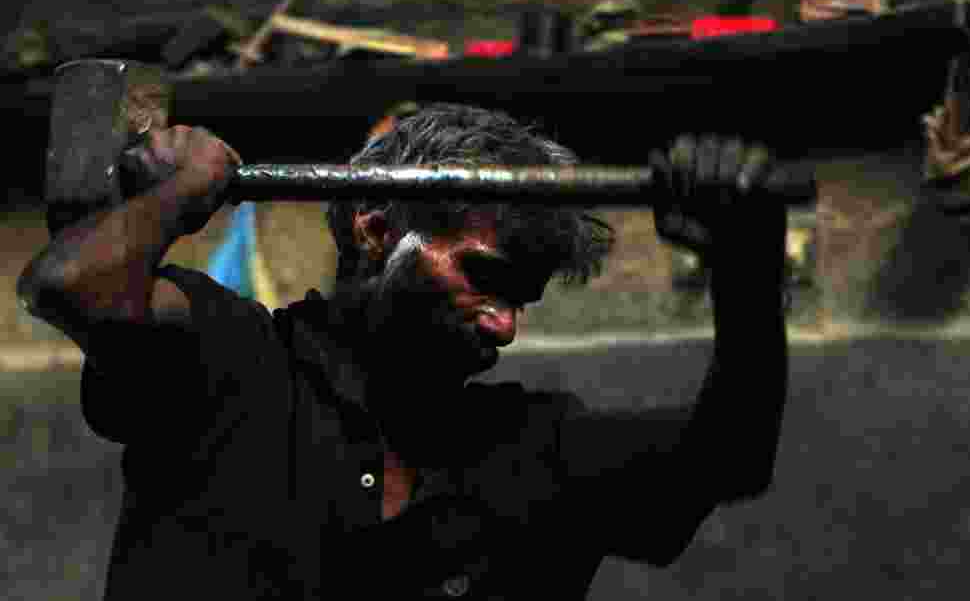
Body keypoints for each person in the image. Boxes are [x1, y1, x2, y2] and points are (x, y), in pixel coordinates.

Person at [18, 103, 788, 600]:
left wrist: (747, 267)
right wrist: (180, 193)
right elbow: (73, 285)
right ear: (377, 229)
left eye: (522, 299)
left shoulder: (536, 445)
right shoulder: (226, 360)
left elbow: (732, 457)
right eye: (484, 278)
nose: (504, 326)